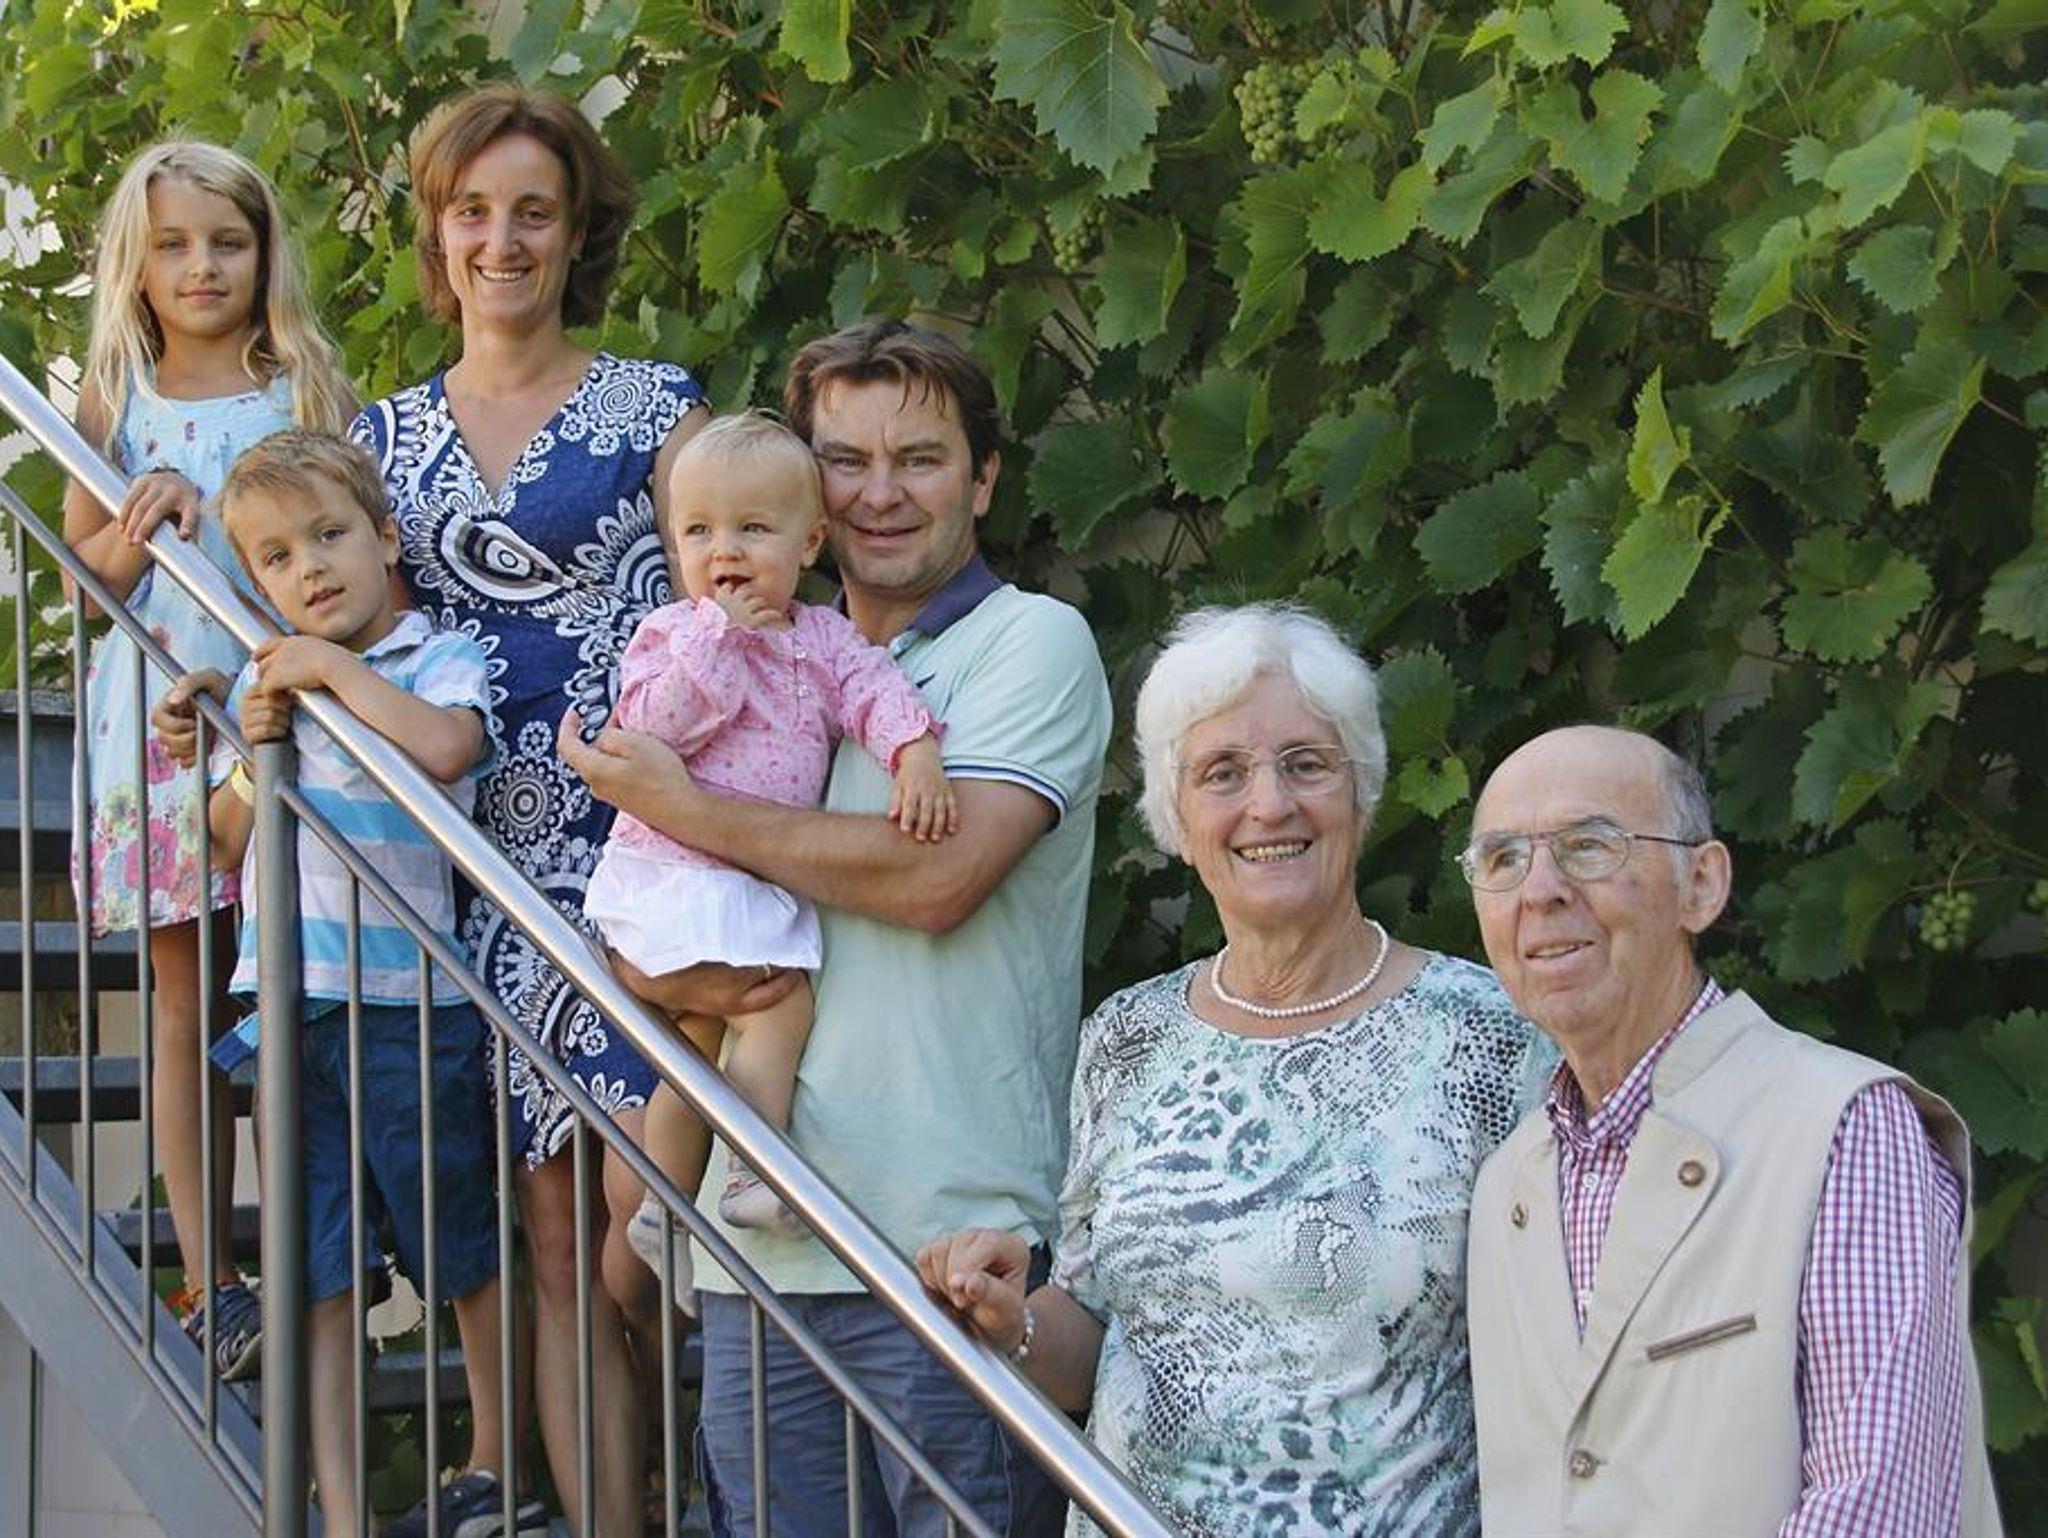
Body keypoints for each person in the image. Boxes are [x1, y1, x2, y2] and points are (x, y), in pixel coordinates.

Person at [559, 317, 1109, 1537]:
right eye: (845, 460)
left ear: (982, 479)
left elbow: (939, 873)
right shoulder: (755, 655)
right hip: (759, 1247)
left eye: (918, 458)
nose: (878, 492)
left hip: (948, 1245)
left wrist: (689, 807)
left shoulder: (1030, 642)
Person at [916, 602, 1553, 1537]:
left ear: (1362, 792)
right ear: (1177, 819)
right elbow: (1093, 1328)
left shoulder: (1491, 1034)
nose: (1269, 804)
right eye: (1222, 773)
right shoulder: (1128, 1037)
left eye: (1306, 764)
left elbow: (1567, 1351)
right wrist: (1013, 1322)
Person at [348, 83, 715, 1536]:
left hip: (646, 848)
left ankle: (710, 1478)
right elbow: (323, 601)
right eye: (472, 211)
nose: (501, 240)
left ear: (576, 233)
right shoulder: (377, 438)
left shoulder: (658, 407)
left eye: (533, 213)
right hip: (470, 868)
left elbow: (739, 604)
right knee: (552, 1236)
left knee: (649, 1213)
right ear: (439, 235)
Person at [1458, 725, 2003, 1537]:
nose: (1539, 891)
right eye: (1503, 858)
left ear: (1702, 886)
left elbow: (1880, 1508)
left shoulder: (1845, 1128)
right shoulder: (1508, 1181)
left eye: (1588, 845)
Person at [153, 430, 534, 1538]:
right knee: (313, 1267)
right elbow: (225, 840)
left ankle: (498, 1463)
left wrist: (331, 674)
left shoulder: (428, 656)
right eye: (276, 557)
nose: (309, 567)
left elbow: (448, 750)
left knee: (459, 1242)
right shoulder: (273, 678)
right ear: (256, 581)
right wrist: (238, 741)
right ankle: (340, 1499)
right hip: (289, 1010)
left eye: (329, 535)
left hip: (412, 1008)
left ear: (385, 539)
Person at [61, 139, 355, 1381]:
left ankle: (308, 1255)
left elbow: (347, 540)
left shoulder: (300, 385)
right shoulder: (116, 396)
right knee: (186, 999)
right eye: (175, 245)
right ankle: (208, 1275)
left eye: (227, 242)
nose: (202, 267)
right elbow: (84, 582)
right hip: (156, 721)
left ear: (263, 253)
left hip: (278, 714)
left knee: (287, 990)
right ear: (139, 263)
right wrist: (151, 515)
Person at [586, 412, 955, 1245]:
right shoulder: (671, 634)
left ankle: (661, 1206)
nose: (725, 551)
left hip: (743, 883)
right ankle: (754, 1172)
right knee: (779, 1007)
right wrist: (719, 638)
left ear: (810, 542)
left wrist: (915, 754)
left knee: (698, 1040)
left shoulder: (824, 638)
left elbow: (874, 692)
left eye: (752, 529)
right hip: (674, 874)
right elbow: (653, 729)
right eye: (699, 531)